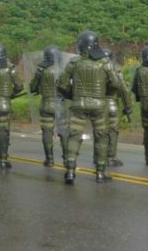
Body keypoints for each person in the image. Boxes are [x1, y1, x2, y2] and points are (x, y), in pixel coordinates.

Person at [58, 32, 131, 184]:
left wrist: (74, 95)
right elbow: (116, 84)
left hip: (78, 104)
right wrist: (104, 92)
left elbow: (62, 85)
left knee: (74, 136)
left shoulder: (73, 63)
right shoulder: (105, 63)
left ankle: (70, 171)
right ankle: (100, 173)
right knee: (101, 137)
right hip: (99, 105)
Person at [29, 46, 66, 167]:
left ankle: (49, 159)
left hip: (46, 104)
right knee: (63, 131)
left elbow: (32, 88)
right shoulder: (64, 70)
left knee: (47, 132)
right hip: (60, 105)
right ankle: (67, 159)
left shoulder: (41, 71)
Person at [102, 48, 133, 167]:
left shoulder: (95, 70)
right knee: (113, 131)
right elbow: (124, 90)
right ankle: (110, 157)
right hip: (112, 104)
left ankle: (99, 156)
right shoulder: (115, 71)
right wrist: (128, 107)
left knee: (100, 131)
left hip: (98, 104)